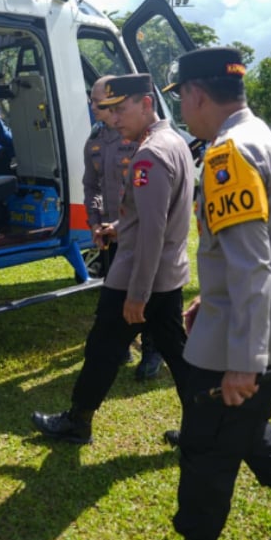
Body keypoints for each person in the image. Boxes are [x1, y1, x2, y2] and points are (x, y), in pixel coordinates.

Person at [135, 48, 271, 540]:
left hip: (252, 334)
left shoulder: (229, 153)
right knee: (239, 425)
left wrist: (246, 361)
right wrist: (212, 294)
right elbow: (253, 247)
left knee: (206, 442)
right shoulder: (258, 135)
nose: (181, 106)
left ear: (196, 94)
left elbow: (253, 264)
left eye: (180, 96)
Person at [31, 73, 194, 444]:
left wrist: (137, 294)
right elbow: (153, 217)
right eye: (111, 110)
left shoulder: (149, 156)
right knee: (179, 356)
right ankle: (205, 429)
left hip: (139, 276)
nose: (114, 118)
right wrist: (118, 228)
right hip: (166, 274)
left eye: (121, 109)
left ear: (147, 104)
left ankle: (77, 421)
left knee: (102, 349)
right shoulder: (175, 142)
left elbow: (153, 230)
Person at [82, 75, 164, 379]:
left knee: (150, 288)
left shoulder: (140, 138)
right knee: (115, 288)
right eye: (93, 101)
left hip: (139, 227)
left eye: (98, 101)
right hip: (112, 230)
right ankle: (122, 345)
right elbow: (93, 185)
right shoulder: (95, 140)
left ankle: (153, 350)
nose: (94, 106)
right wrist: (95, 220)